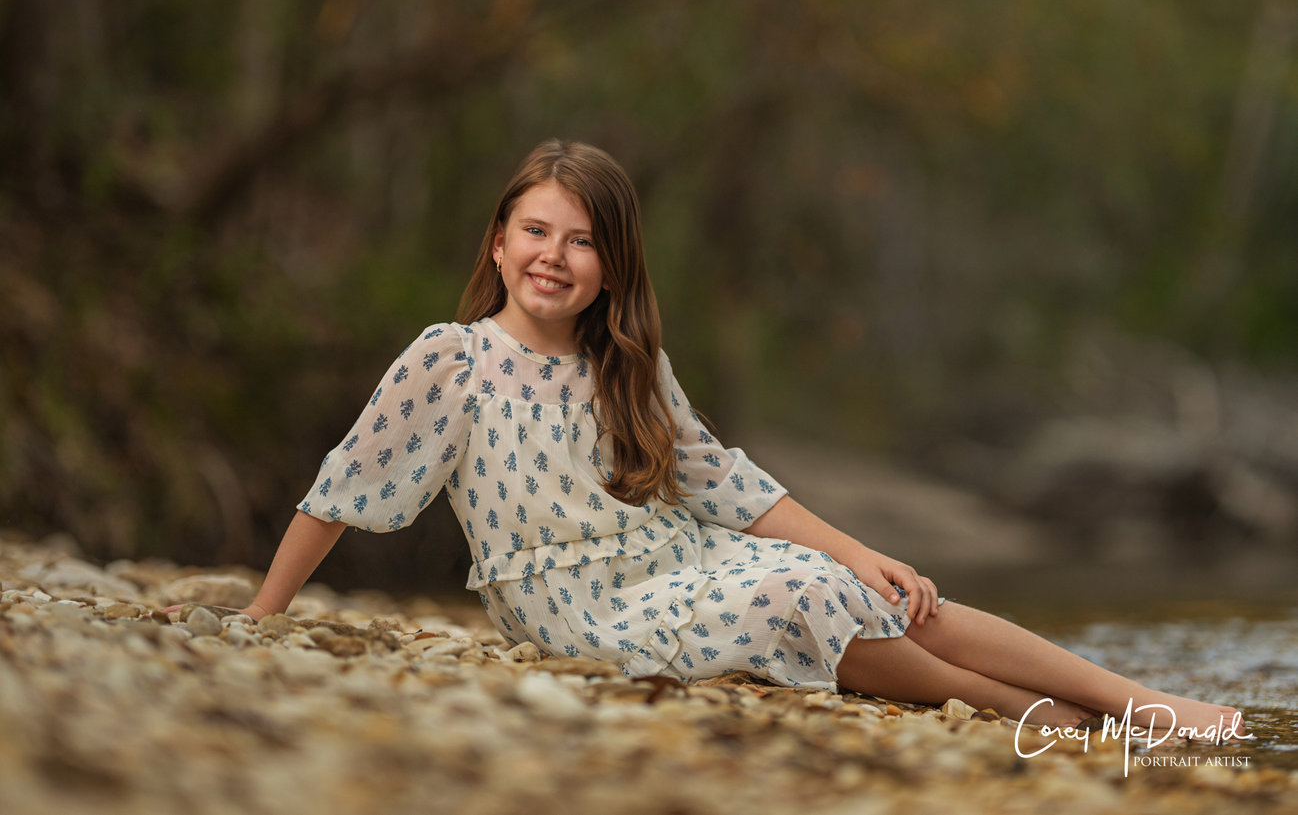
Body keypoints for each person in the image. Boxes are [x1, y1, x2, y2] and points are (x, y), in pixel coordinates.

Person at [180, 139, 1240, 733]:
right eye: (535, 231)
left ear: (610, 263)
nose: (554, 256)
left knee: (876, 588)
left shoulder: (621, 362)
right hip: (570, 604)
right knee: (798, 591)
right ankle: (1054, 719)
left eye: (581, 240)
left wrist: (858, 546)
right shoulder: (447, 360)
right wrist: (265, 618)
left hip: (674, 564)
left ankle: (1141, 703)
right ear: (497, 243)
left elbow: (720, 480)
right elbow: (343, 487)